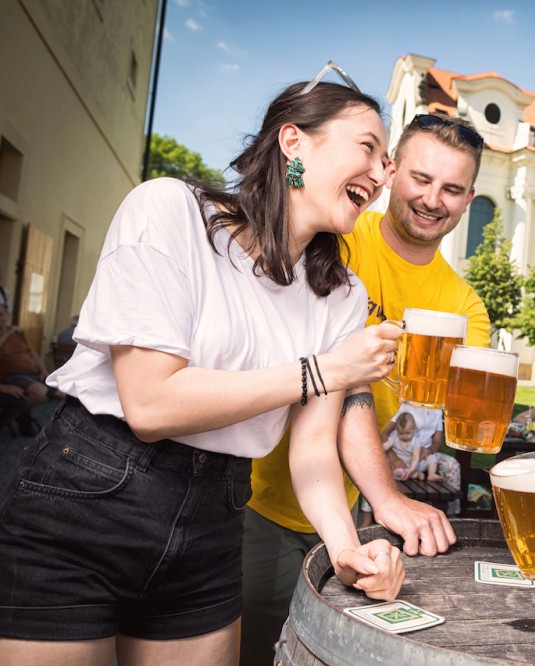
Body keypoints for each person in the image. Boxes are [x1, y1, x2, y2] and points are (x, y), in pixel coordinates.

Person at [0, 75, 408, 663]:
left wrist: (345, 548)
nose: (382, 172)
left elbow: (313, 449)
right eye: (367, 147)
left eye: (386, 158)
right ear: (294, 142)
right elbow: (150, 405)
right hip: (87, 497)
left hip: (215, 515)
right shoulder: (170, 210)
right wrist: (320, 370)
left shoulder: (342, 294)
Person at [241, 112, 490, 664]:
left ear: (469, 198)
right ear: (392, 171)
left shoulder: (466, 307)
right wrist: (389, 497)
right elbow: (336, 381)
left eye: (451, 189)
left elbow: (427, 431)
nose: (432, 199)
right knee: (254, 646)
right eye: (421, 180)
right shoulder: (338, 240)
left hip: (361, 514)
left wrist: (406, 485)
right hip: (266, 496)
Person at [0, 302, 51, 436]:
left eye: (1, 315)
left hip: (31, 373)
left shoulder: (18, 333)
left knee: (64, 393)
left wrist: (44, 370)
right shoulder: (11, 332)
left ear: (7, 316)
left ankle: (22, 416)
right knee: (40, 393)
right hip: (12, 375)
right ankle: (23, 418)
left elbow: (32, 353)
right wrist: (8, 334)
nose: (0, 318)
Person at [382, 410, 442, 481]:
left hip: (413, 463)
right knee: (386, 462)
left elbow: (415, 457)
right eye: (401, 433)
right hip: (399, 462)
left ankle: (431, 474)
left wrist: (411, 469)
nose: (404, 436)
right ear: (397, 430)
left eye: (407, 433)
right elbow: (384, 446)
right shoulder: (395, 438)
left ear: (414, 430)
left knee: (432, 458)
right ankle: (415, 475)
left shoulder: (416, 441)